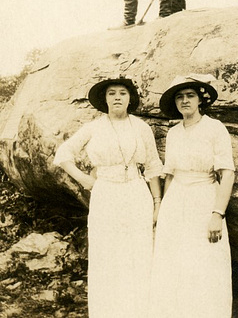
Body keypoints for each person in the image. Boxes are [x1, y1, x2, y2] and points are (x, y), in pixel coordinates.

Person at [53, 76, 163, 318]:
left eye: (122, 93)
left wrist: (157, 202)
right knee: (108, 255)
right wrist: (85, 180)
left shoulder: (142, 127)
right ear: (105, 99)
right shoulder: (94, 127)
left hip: (136, 192)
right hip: (106, 194)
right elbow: (63, 154)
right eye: (111, 93)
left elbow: (154, 166)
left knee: (139, 253)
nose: (117, 97)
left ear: (130, 98)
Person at [149, 74, 235, 318]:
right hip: (175, 201)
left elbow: (226, 174)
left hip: (204, 199)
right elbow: (170, 175)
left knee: (204, 264)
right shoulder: (173, 133)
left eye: (190, 96)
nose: (185, 101)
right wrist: (162, 208)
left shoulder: (215, 128)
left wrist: (217, 214)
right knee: (173, 263)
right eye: (179, 97)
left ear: (200, 100)